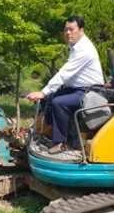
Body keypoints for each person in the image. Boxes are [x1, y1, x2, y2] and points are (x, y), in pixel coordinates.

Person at [25, 16, 104, 154]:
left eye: (71, 29)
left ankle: (60, 142)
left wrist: (43, 91)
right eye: (66, 29)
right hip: (77, 89)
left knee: (58, 102)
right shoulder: (75, 47)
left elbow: (64, 73)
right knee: (47, 99)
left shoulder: (84, 49)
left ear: (81, 30)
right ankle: (55, 131)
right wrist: (44, 94)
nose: (68, 33)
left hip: (89, 92)